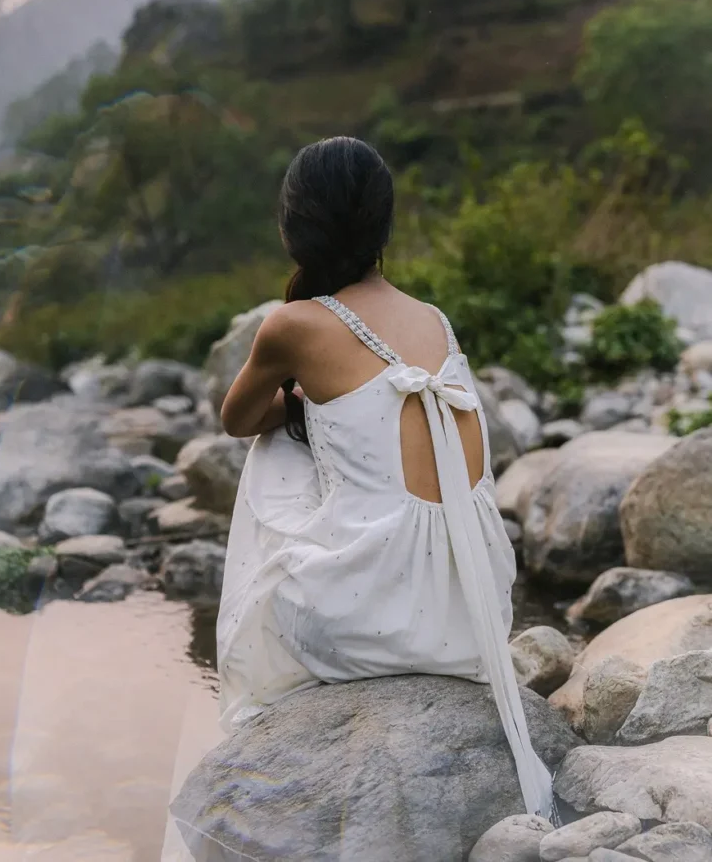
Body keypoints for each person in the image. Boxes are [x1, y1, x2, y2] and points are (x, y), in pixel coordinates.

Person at [216, 136, 552, 818]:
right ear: (383, 226)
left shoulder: (292, 325)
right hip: (472, 613)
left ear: (294, 227)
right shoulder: (435, 319)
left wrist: (302, 400)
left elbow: (236, 418)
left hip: (363, 622)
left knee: (275, 443)